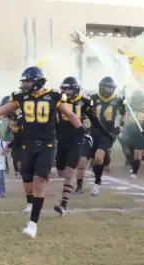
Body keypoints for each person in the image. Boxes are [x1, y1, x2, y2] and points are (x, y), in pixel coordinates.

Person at [0, 66, 84, 238]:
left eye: (28, 81)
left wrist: (83, 133)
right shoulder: (21, 97)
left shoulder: (54, 96)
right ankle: (31, 203)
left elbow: (71, 115)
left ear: (38, 81)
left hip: (47, 145)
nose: (25, 84)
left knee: (40, 181)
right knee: (28, 180)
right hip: (28, 145)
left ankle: (32, 224)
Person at [54, 76, 112, 215]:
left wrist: (107, 133)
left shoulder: (84, 102)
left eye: (69, 89)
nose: (66, 92)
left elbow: (95, 120)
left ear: (76, 89)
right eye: (64, 89)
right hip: (62, 140)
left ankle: (64, 205)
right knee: (61, 171)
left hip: (77, 139)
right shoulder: (57, 101)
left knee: (69, 173)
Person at [89, 76, 126, 196]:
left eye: (110, 87)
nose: (107, 89)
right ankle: (107, 158)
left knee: (98, 158)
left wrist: (122, 125)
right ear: (100, 86)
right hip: (93, 132)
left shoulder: (118, 100)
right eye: (105, 86)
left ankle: (97, 183)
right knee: (95, 160)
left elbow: (123, 113)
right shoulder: (93, 98)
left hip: (107, 133)